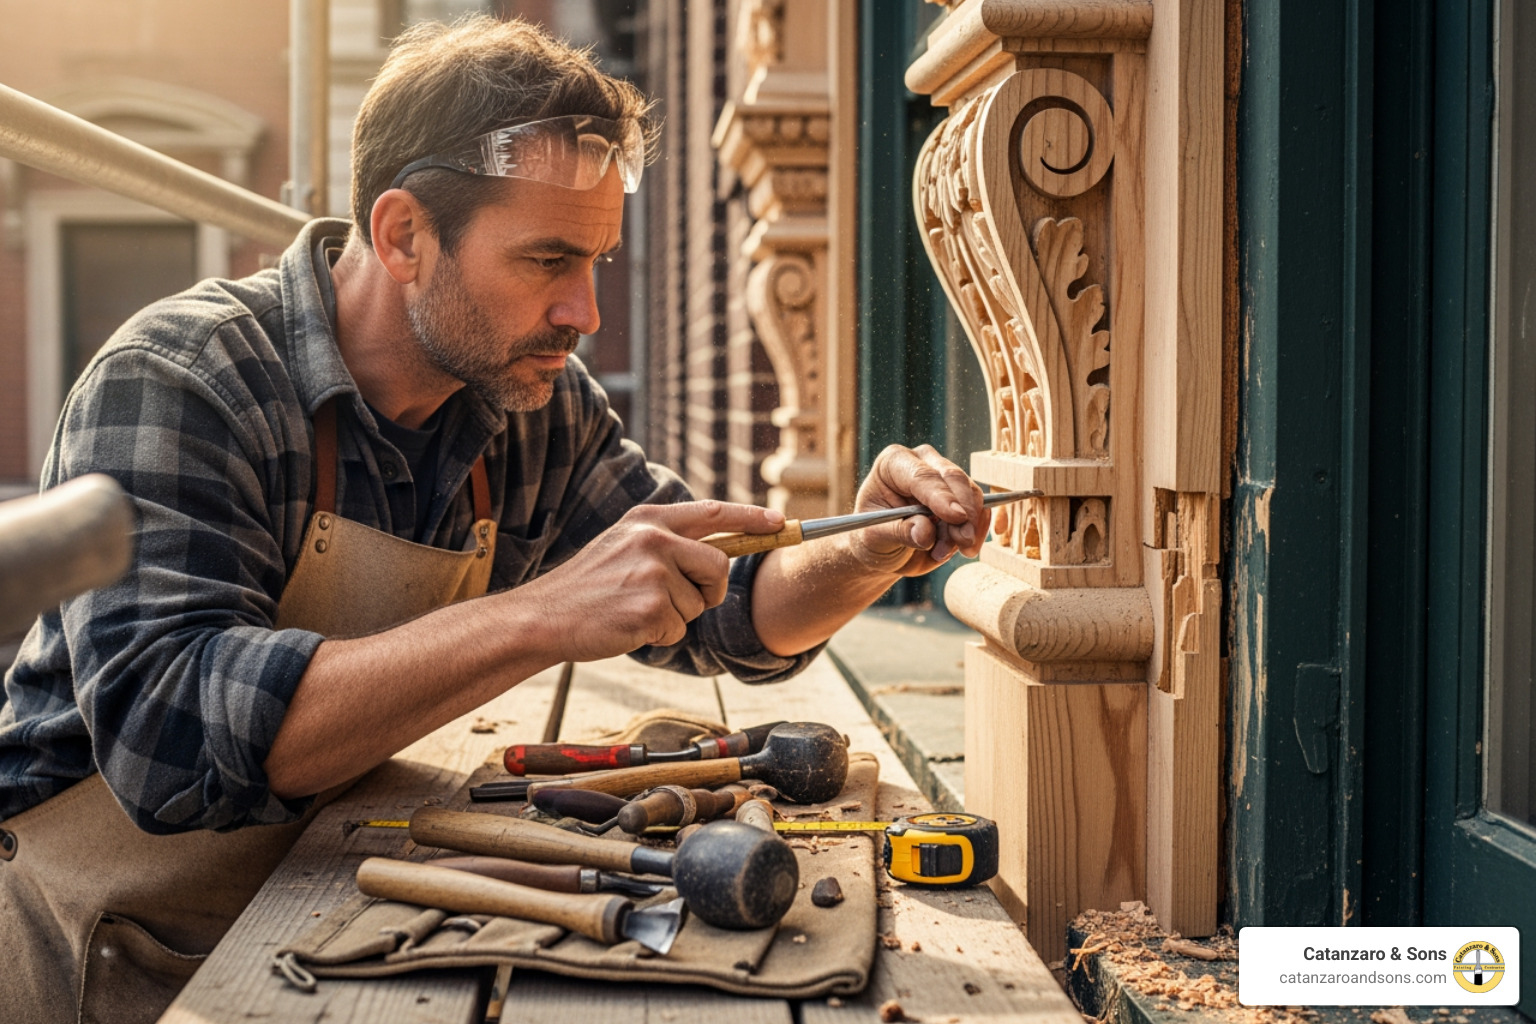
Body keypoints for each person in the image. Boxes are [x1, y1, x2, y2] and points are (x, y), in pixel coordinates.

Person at [0, 14, 989, 1022]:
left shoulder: (528, 400)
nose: (586, 312)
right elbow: (168, 749)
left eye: (598, 260)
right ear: (403, 236)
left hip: (328, 896)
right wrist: (543, 615)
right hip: (106, 940)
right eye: (548, 260)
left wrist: (865, 551)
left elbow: (724, 605)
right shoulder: (184, 380)